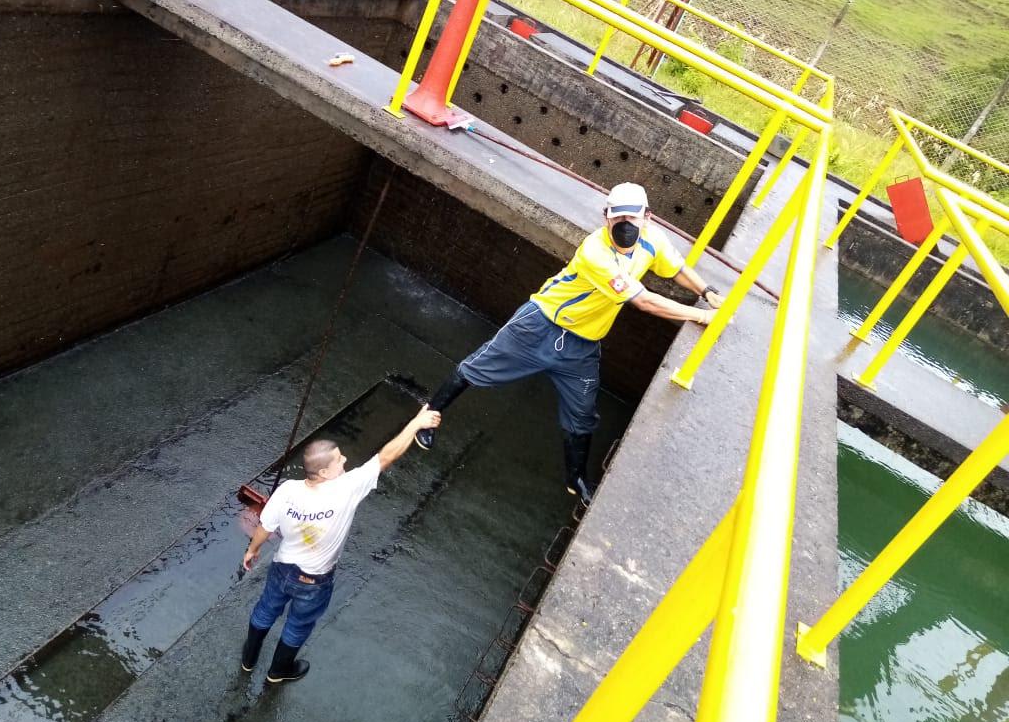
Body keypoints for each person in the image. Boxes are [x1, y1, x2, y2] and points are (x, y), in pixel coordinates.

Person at [414, 182, 723, 505]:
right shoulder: (595, 252)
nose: (625, 227)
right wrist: (701, 317)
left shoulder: (653, 240)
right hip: (540, 325)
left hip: (583, 347)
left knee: (582, 415)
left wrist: (707, 291)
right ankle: (429, 415)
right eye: (618, 219)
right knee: (476, 370)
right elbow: (644, 301)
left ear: (647, 217)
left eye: (632, 219)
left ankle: (576, 478)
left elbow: (677, 269)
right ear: (606, 218)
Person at [240, 404, 442, 683]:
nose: (345, 459)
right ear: (323, 473)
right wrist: (416, 423)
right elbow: (386, 456)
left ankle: (248, 660)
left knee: (265, 609)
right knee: (298, 624)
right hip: (315, 580)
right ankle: (278, 671)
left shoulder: (287, 490)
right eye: (338, 460)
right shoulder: (346, 488)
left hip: (282, 569)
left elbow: (265, 526)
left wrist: (252, 550)